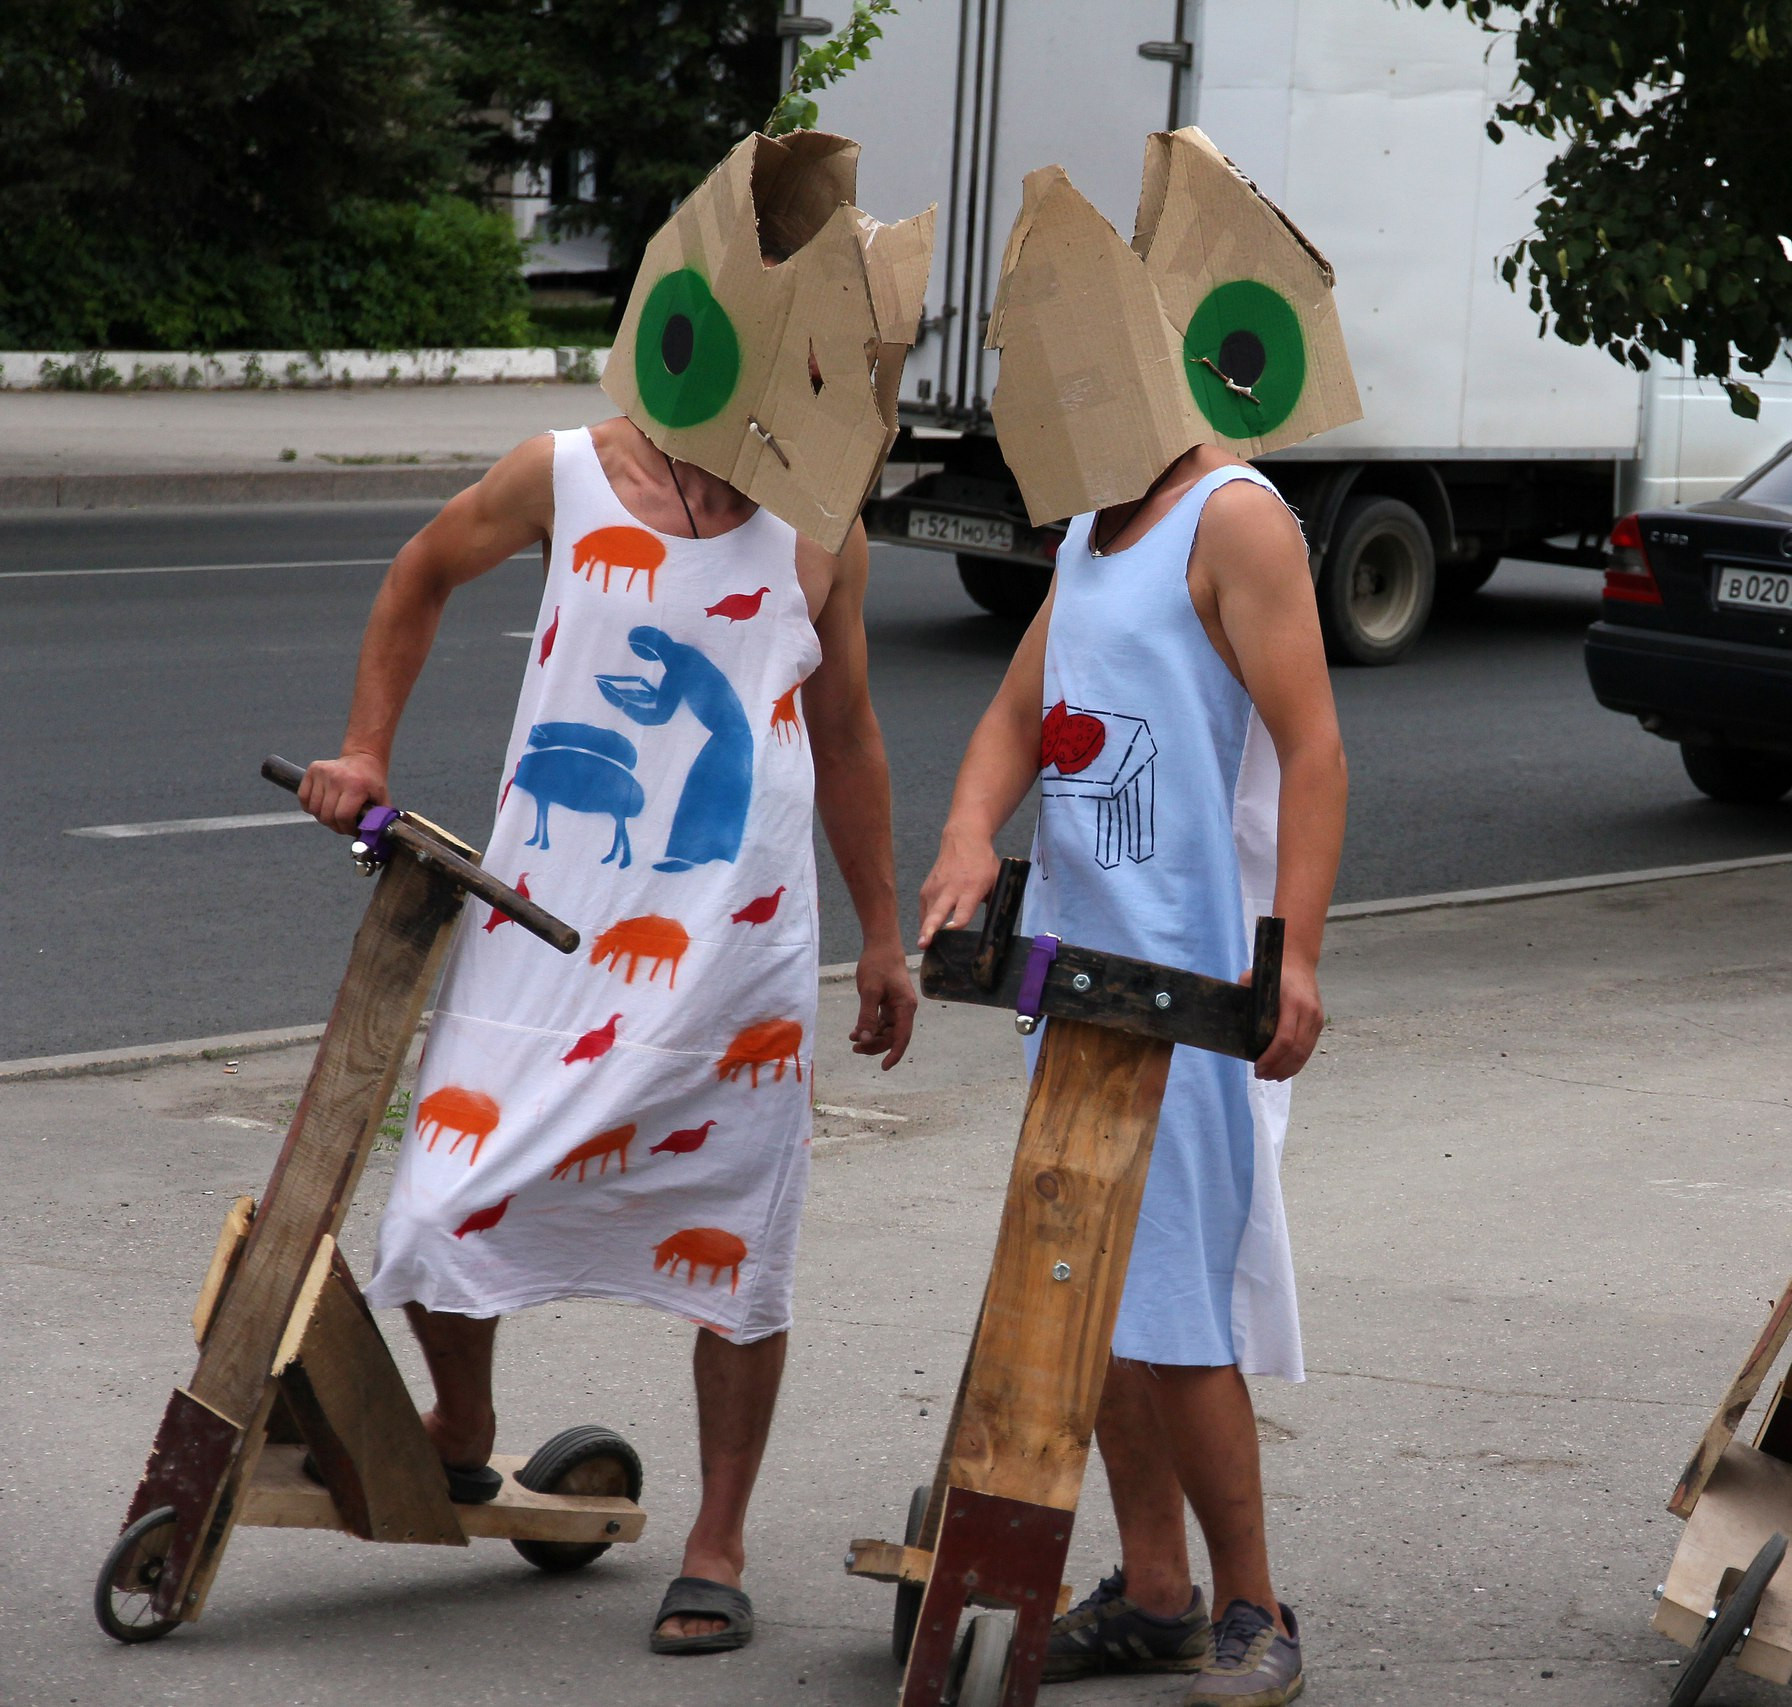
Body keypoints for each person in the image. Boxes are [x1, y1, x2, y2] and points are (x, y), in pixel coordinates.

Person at [297, 410, 917, 1652]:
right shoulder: (564, 472)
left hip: (737, 949)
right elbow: (422, 569)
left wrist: (884, 937)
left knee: (738, 1240)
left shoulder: (820, 523)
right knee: (438, 1197)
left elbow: (844, 731)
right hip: (542, 925)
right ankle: (462, 1430)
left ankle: (718, 1541)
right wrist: (364, 746)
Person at [918, 439, 1346, 1706]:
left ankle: (1256, 1609)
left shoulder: (1236, 520)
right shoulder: (1092, 525)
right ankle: (1158, 1595)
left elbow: (1313, 748)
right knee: (1092, 1297)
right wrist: (963, 837)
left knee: (1176, 1314)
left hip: (1192, 992)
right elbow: (1015, 716)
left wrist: (1300, 957)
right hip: (1073, 979)